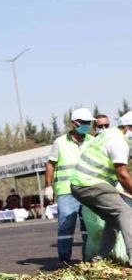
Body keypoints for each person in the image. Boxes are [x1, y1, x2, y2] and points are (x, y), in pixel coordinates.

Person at [70, 112, 132, 264]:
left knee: (113, 219)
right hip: (90, 183)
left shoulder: (110, 135)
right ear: (127, 127)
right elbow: (122, 174)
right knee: (125, 211)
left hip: (80, 184)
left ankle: (99, 259)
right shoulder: (119, 142)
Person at [44, 108, 94, 268]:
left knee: (89, 225)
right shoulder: (60, 142)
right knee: (66, 225)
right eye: (84, 123)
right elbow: (51, 164)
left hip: (88, 189)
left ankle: (89, 257)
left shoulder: (92, 141)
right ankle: (64, 258)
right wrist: (48, 187)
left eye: (89, 123)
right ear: (74, 123)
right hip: (67, 191)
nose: (87, 125)